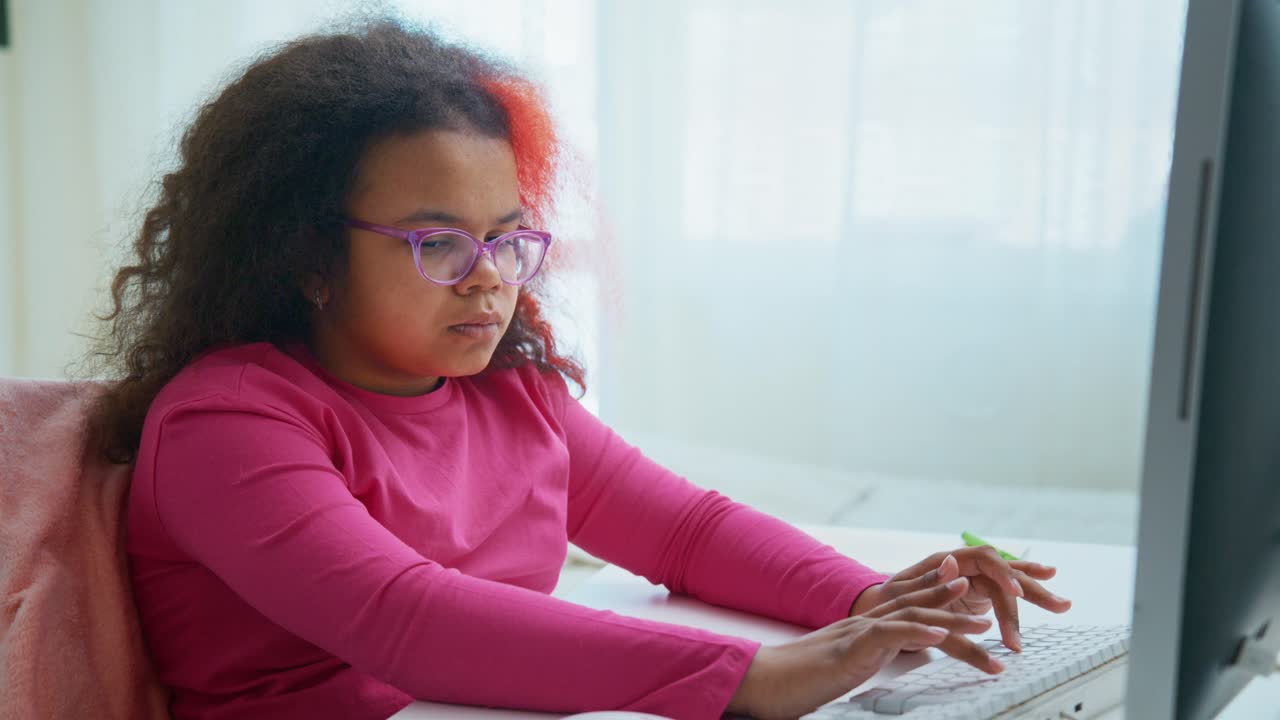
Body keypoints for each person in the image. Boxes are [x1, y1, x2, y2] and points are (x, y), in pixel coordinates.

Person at [86, 19, 1071, 720]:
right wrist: (752, 677)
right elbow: (404, 622)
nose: (488, 282)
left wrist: (871, 605)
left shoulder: (512, 396)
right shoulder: (227, 423)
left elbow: (686, 533)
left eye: (508, 242)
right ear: (306, 257)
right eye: (436, 245)